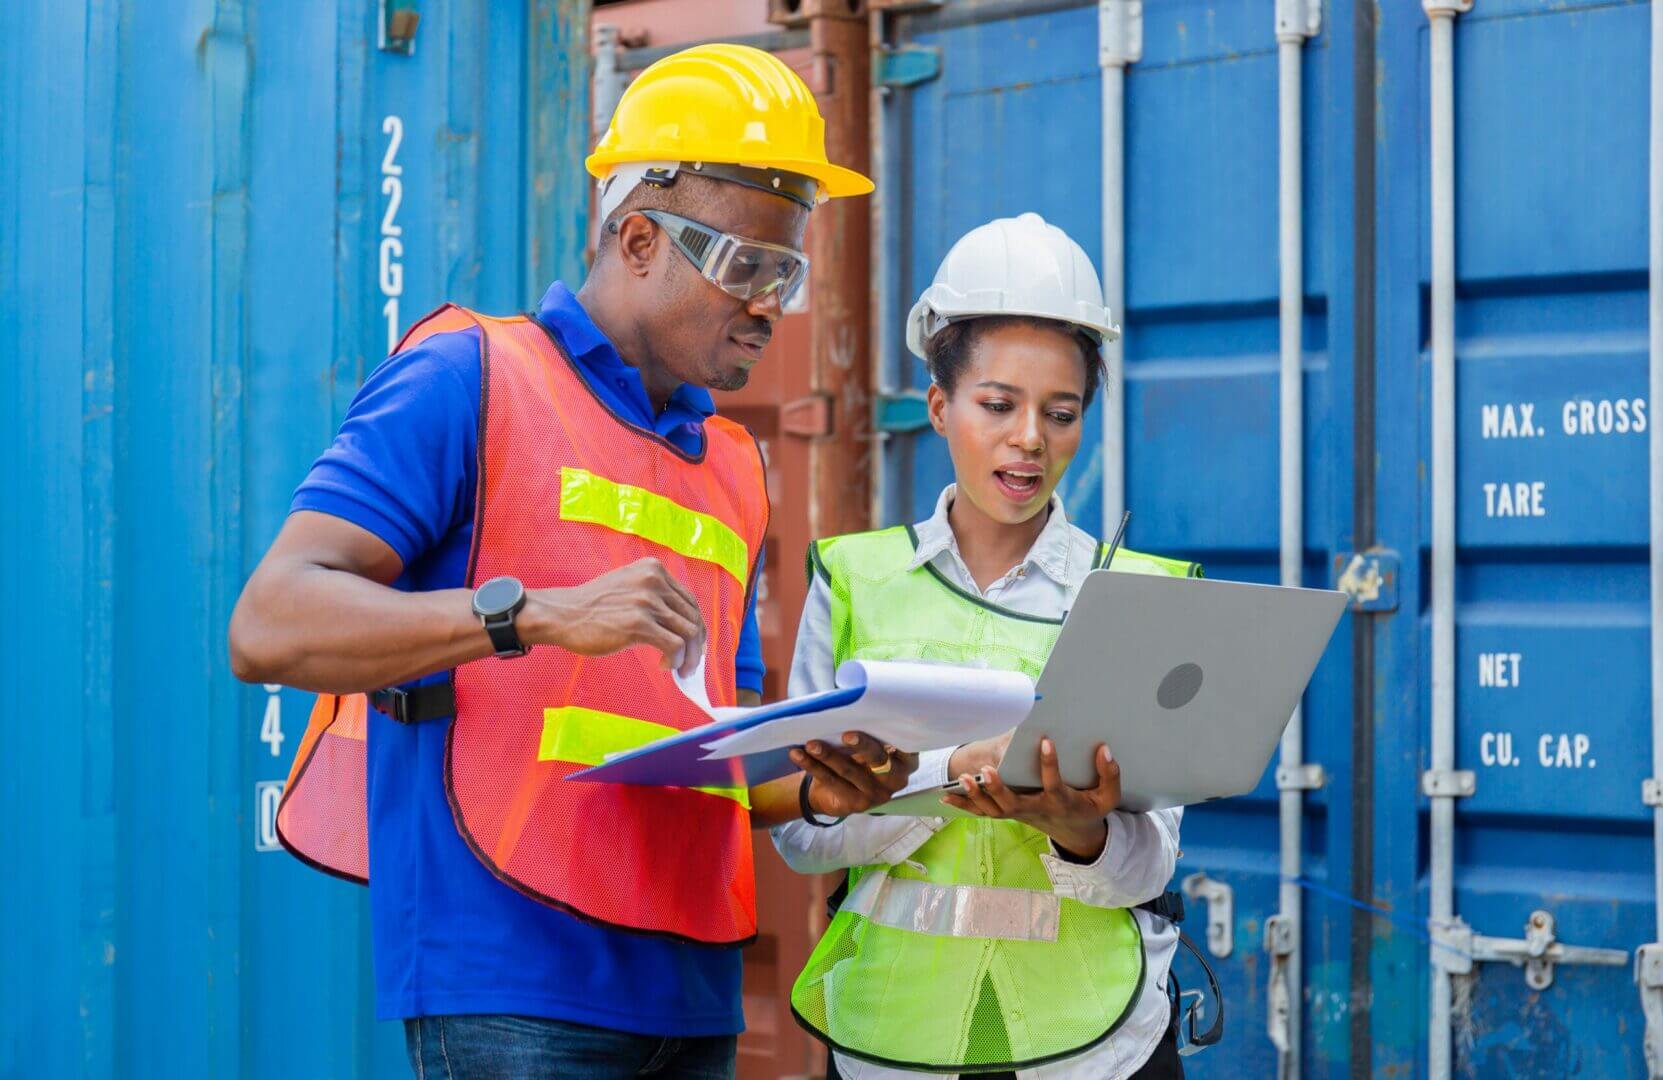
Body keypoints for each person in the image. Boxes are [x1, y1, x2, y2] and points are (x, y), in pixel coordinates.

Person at [229, 43, 916, 1080]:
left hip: (690, 986)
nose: (772, 303)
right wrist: (530, 617)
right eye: (746, 267)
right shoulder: (467, 378)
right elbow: (269, 623)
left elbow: (716, 751)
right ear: (638, 237)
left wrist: (826, 786)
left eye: (788, 271)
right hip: (510, 975)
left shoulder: (734, 465)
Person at [773, 213, 1202, 1080]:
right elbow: (803, 836)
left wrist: (1076, 831)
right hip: (893, 1041)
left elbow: (1149, 857)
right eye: (997, 405)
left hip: (1096, 1047)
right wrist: (945, 776)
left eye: (1061, 411)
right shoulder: (853, 579)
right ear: (938, 407)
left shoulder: (1137, 596)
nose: (1030, 439)